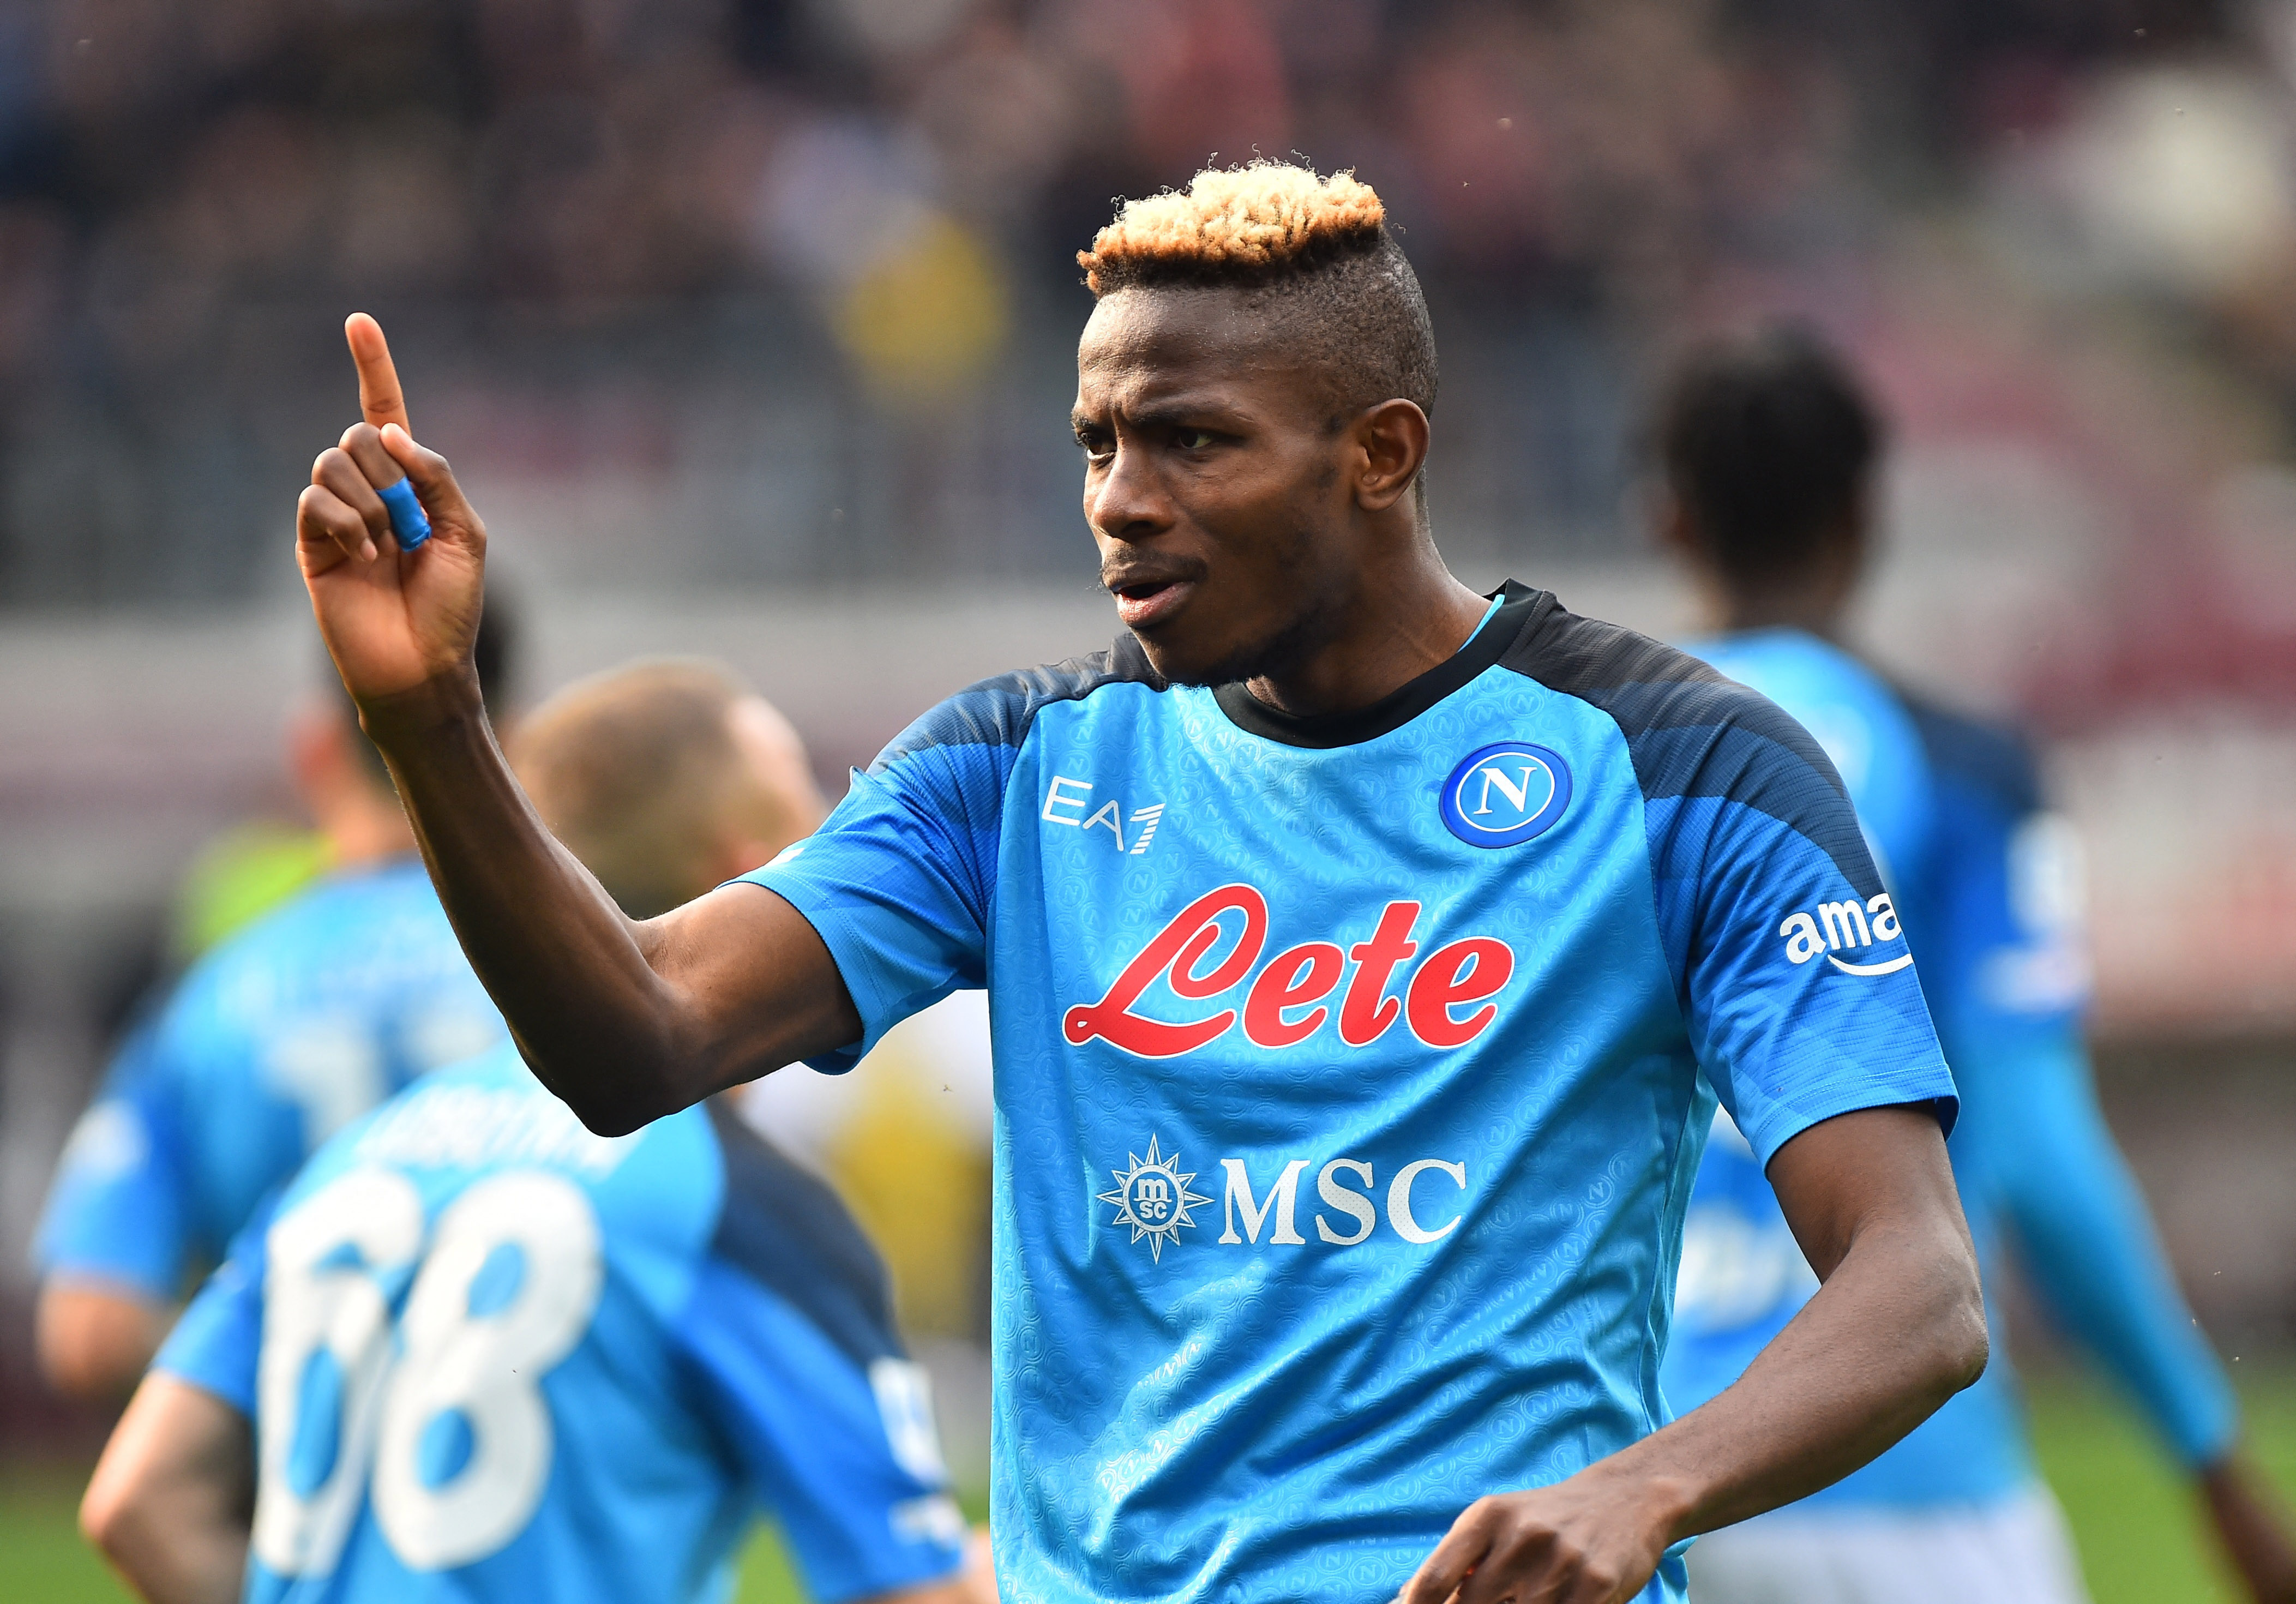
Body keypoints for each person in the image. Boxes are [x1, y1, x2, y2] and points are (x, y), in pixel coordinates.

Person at [288, 167, 1990, 1604]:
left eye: (1191, 441)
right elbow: (640, 1034)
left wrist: (1645, 1484)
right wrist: (431, 720)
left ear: (1379, 451)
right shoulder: (1015, 767)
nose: (1122, 502)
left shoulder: (1684, 769)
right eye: (1097, 441)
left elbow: (1916, 1281)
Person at [80, 658, 994, 1604]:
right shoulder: (740, 1210)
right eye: (813, 809)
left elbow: (140, 1504)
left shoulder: (351, 1159)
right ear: (753, 875)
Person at [1650, 326, 2296, 1604]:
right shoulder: (1958, 769)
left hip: (1657, 1479)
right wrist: (2209, 1455)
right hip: (1907, 1477)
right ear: (1862, 515)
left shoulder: (1595, 774)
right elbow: (2045, 1158)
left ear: (1666, 520)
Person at [31, 610, 516, 1403]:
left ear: (314, 750)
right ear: (516, 744)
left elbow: (91, 1331)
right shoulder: (574, 973)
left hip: (299, 1460)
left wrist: (279, 1368)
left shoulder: (211, 1000)